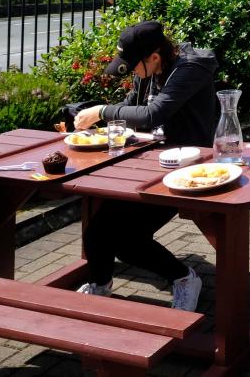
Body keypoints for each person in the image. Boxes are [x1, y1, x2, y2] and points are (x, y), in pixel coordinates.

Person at [72, 20, 219, 311]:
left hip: (187, 169)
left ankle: (185, 279)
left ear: (154, 56)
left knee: (126, 240)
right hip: (148, 163)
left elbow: (153, 113)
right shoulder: (149, 71)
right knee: (96, 230)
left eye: (134, 66)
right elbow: (133, 106)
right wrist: (95, 120)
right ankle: (101, 284)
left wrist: (100, 111)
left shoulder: (189, 70)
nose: (133, 73)